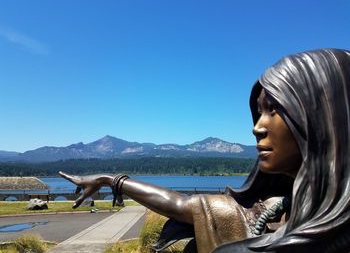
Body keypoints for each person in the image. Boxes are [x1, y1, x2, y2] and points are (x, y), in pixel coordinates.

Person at [60, 48, 350, 253]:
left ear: (323, 118)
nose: (257, 128)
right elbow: (183, 205)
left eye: (274, 110)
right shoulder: (264, 214)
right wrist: (110, 180)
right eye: (259, 112)